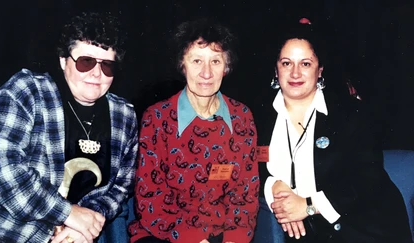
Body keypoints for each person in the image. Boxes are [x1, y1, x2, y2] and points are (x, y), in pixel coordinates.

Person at [250, 19, 412, 243]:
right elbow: (247, 166)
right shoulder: (256, 117)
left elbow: (368, 179)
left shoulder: (350, 113)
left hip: (364, 228)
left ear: (320, 70)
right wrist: (274, 186)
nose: (295, 73)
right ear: (276, 70)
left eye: (305, 63)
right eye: (287, 63)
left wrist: (308, 207)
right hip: (308, 235)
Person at [0, 11, 138, 243]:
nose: (96, 73)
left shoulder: (123, 115)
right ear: (64, 61)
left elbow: (121, 186)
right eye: (86, 62)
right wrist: (66, 214)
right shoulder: (26, 91)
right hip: (5, 232)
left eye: (107, 66)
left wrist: (86, 222)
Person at [128, 18, 260, 243]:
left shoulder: (242, 117)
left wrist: (234, 240)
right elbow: (150, 198)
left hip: (223, 234)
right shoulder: (157, 118)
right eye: (197, 60)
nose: (206, 73)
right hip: (164, 233)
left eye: (216, 61)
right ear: (183, 64)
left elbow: (245, 195)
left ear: (226, 67)